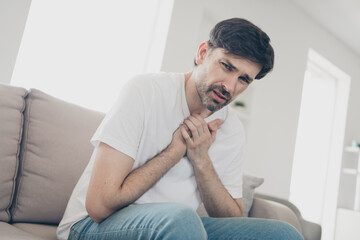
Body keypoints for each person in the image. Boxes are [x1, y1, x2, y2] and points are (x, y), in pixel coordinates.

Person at [57, 18, 303, 240]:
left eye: (243, 79)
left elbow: (231, 217)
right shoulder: (145, 91)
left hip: (177, 230)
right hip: (90, 227)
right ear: (202, 53)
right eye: (226, 66)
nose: (229, 86)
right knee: (182, 220)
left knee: (283, 234)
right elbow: (100, 206)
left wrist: (201, 159)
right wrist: (175, 151)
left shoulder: (232, 128)